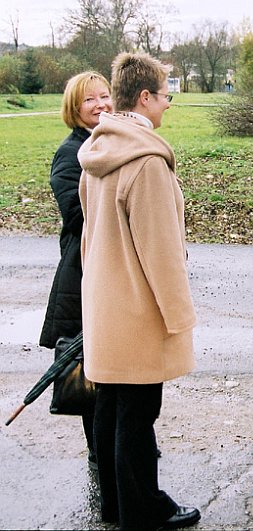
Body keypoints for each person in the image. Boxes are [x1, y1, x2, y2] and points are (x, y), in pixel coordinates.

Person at [78, 52, 200, 530]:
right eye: (166, 94)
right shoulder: (146, 160)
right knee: (138, 415)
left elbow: (90, 236)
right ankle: (141, 513)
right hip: (139, 310)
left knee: (111, 407)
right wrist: (180, 317)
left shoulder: (98, 150)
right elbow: (162, 252)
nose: (168, 104)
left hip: (106, 305)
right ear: (145, 97)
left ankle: (117, 504)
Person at [39, 71, 112, 469]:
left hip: (107, 269)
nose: (101, 105)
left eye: (105, 96)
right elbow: (75, 214)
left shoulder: (108, 143)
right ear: (74, 108)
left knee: (114, 362)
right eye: (90, 100)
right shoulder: (71, 153)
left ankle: (121, 441)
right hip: (82, 273)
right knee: (89, 368)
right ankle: (101, 450)